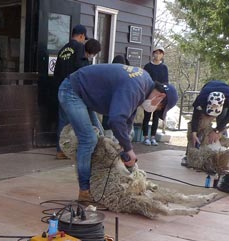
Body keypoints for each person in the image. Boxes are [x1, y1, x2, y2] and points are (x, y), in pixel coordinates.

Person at [58, 64, 178, 203]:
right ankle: (85, 191)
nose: (156, 109)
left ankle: (97, 182)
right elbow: (116, 120)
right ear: (160, 96)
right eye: (160, 107)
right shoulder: (135, 87)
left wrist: (123, 146)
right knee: (89, 140)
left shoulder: (144, 83)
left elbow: (128, 119)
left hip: (85, 92)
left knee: (102, 141)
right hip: (72, 90)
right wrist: (128, 149)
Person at [53, 25, 96, 159]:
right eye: (84, 38)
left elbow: (56, 71)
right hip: (75, 90)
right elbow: (83, 69)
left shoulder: (62, 50)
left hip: (61, 89)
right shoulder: (80, 48)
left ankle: (60, 150)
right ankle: (77, 150)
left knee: (62, 120)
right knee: (80, 121)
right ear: (82, 36)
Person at [181, 80, 229, 166]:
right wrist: (194, 132)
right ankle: (189, 155)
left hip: (225, 102)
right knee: (200, 125)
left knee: (221, 121)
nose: (212, 118)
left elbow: (228, 117)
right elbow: (195, 116)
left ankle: (221, 154)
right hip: (208, 91)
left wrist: (217, 131)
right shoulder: (201, 100)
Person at [141, 46, 169, 146]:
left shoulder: (164, 67)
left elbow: (166, 82)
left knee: (156, 116)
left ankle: (153, 137)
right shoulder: (148, 66)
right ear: (153, 54)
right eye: (156, 53)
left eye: (160, 53)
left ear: (162, 55)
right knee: (147, 116)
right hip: (149, 93)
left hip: (159, 95)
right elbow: (144, 79)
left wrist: (163, 92)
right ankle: (145, 137)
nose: (157, 55)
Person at [102, 55, 130, 135]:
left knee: (107, 125)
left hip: (107, 104)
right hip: (118, 106)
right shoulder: (125, 74)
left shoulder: (108, 71)